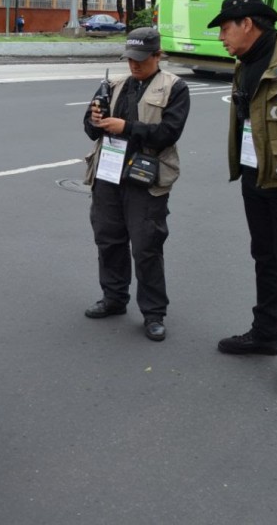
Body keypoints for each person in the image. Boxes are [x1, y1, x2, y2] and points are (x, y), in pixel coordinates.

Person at [207, 0, 277, 398]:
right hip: (254, 175)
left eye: (225, 27)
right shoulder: (245, 63)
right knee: (265, 256)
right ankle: (265, 333)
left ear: (248, 24)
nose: (221, 36)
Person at [82, 28, 191, 341]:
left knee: (147, 246)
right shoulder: (113, 85)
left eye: (142, 59)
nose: (134, 65)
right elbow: (90, 129)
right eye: (130, 58)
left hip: (146, 178)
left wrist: (125, 127)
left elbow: (168, 133)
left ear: (158, 56)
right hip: (108, 173)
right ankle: (114, 298)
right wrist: (95, 119)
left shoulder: (175, 88)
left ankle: (154, 313)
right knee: (108, 238)